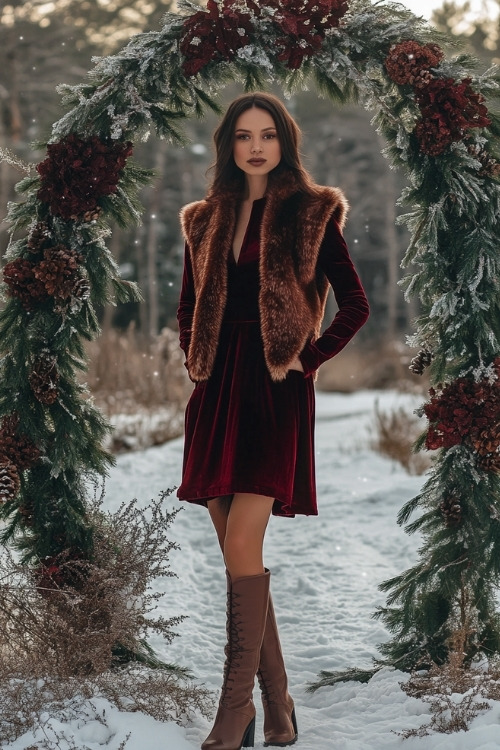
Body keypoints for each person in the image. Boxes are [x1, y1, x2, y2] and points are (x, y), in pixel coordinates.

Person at [176, 92, 369, 750]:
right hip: (215, 394)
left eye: (267, 135)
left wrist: (307, 358)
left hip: (272, 392)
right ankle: (279, 708)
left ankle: (236, 711)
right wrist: (194, 361)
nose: (255, 146)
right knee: (241, 556)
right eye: (242, 136)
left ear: (285, 141)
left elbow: (355, 306)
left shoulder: (311, 212)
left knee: (241, 549)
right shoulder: (203, 220)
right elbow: (187, 304)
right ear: (228, 146)